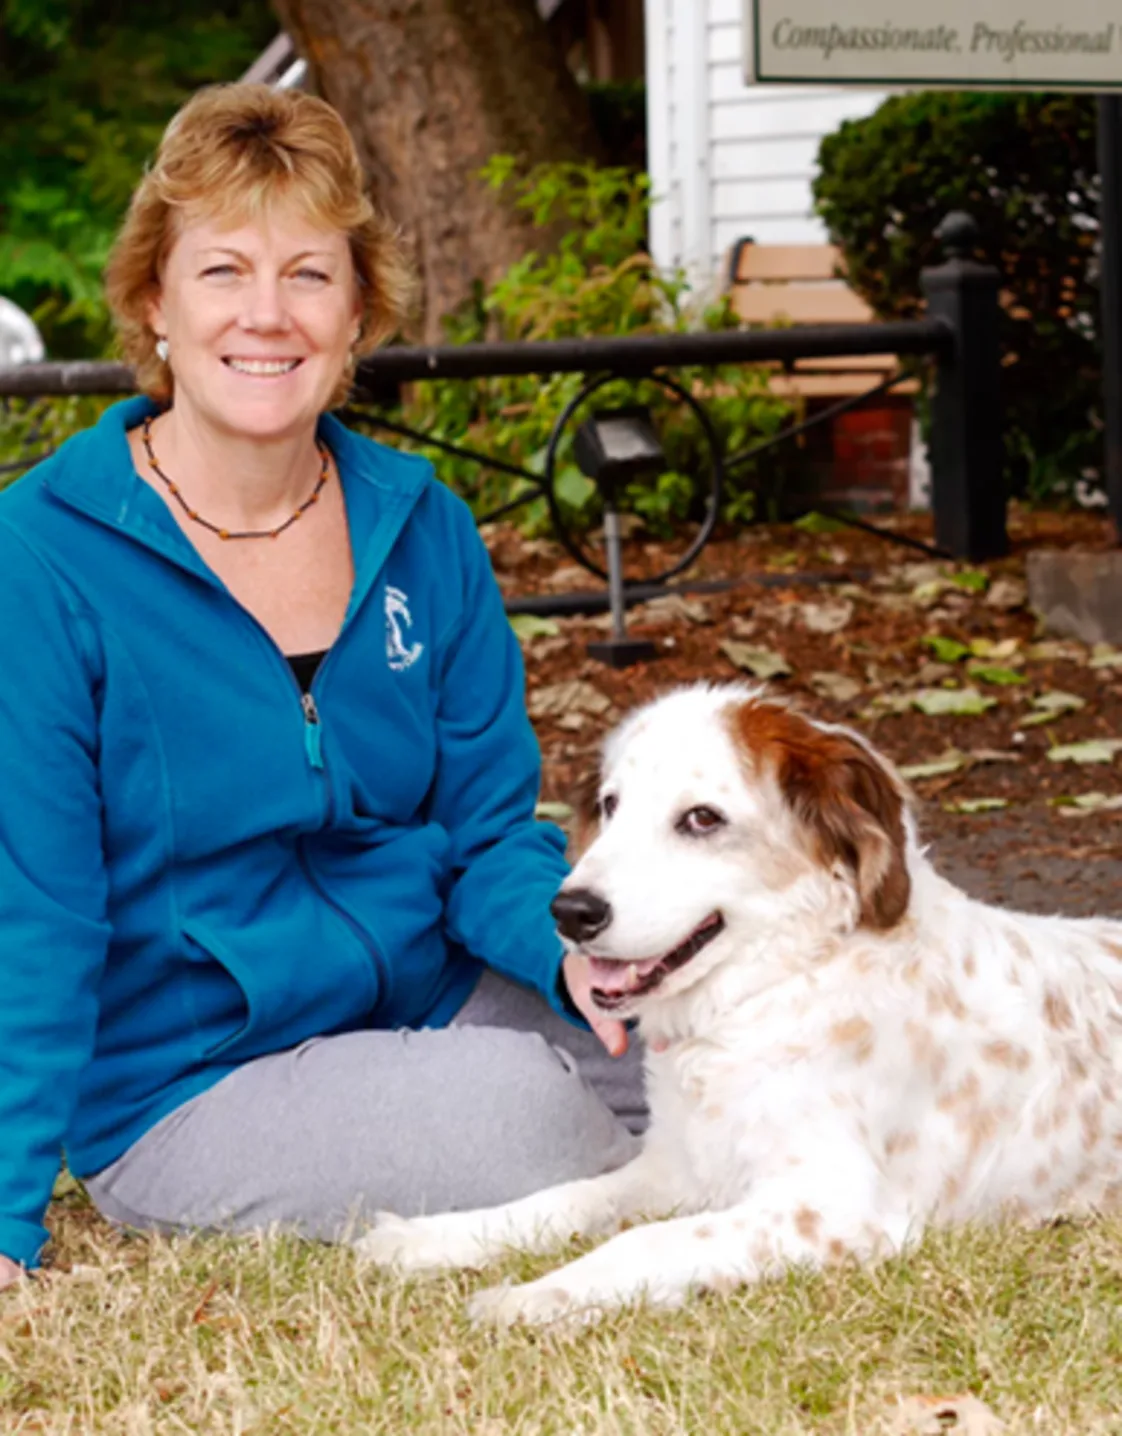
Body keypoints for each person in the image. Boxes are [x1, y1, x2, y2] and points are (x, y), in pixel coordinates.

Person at [0, 84, 645, 1291]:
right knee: (528, 1112)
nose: (267, 314)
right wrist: (2, 1214)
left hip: (431, 990)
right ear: (155, 301)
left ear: (356, 312)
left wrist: (569, 960)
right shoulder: (38, 559)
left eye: (308, 274)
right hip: (190, 1079)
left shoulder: (422, 525)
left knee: (695, 1030)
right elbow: (32, 912)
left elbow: (490, 830)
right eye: (223, 271)